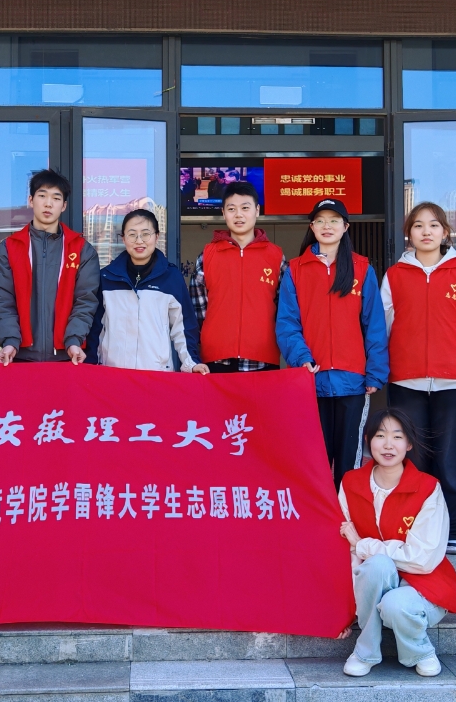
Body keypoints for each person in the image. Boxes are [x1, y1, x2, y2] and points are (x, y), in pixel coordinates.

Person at [381, 201, 456, 555]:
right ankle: (415, 526)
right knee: (413, 457)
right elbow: (384, 326)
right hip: (406, 379)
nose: (426, 231)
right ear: (408, 234)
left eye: (434, 225)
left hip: (453, 380)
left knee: (451, 457)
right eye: (418, 225)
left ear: (445, 232)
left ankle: (454, 527)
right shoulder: (395, 274)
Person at [337, 409, 456, 678]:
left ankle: (421, 651)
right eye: (380, 436)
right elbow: (345, 549)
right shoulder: (351, 483)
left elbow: (422, 559)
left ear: (409, 444)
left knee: (395, 603)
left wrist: (363, 544)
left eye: (397, 436)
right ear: (368, 440)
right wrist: (342, 609)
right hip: (372, 581)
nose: (388, 444)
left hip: (424, 584)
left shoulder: (428, 488)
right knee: (377, 566)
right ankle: (365, 651)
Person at [277, 198, 389, 488]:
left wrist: (376, 372)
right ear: (312, 227)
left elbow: (374, 324)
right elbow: (287, 323)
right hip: (311, 379)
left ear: (346, 227)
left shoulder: (362, 268)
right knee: (313, 458)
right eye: (321, 221)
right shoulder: (296, 269)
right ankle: (318, 514)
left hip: (353, 380)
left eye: (334, 220)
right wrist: (302, 357)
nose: (327, 226)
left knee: (349, 459)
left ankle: (346, 512)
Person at [0, 169, 101, 366]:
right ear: (31, 200)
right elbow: (0, 301)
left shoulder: (82, 251)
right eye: (42, 196)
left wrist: (74, 340)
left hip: (67, 358)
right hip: (20, 357)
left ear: (64, 206)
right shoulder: (7, 250)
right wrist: (10, 341)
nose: (48, 203)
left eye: (56, 198)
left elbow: (85, 301)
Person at [87, 208, 208, 373]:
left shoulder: (171, 277)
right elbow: (95, 330)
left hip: (157, 374)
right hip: (114, 373)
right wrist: (90, 368)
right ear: (123, 238)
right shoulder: (107, 278)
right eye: (132, 234)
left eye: (145, 234)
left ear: (157, 236)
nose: (139, 241)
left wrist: (191, 363)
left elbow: (183, 327)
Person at [188, 181, 286, 373]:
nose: (238, 214)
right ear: (223, 213)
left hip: (262, 359)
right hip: (215, 360)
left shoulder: (276, 256)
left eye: (245, 208)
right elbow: (197, 310)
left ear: (257, 211)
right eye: (231, 209)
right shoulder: (207, 255)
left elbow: (284, 309)